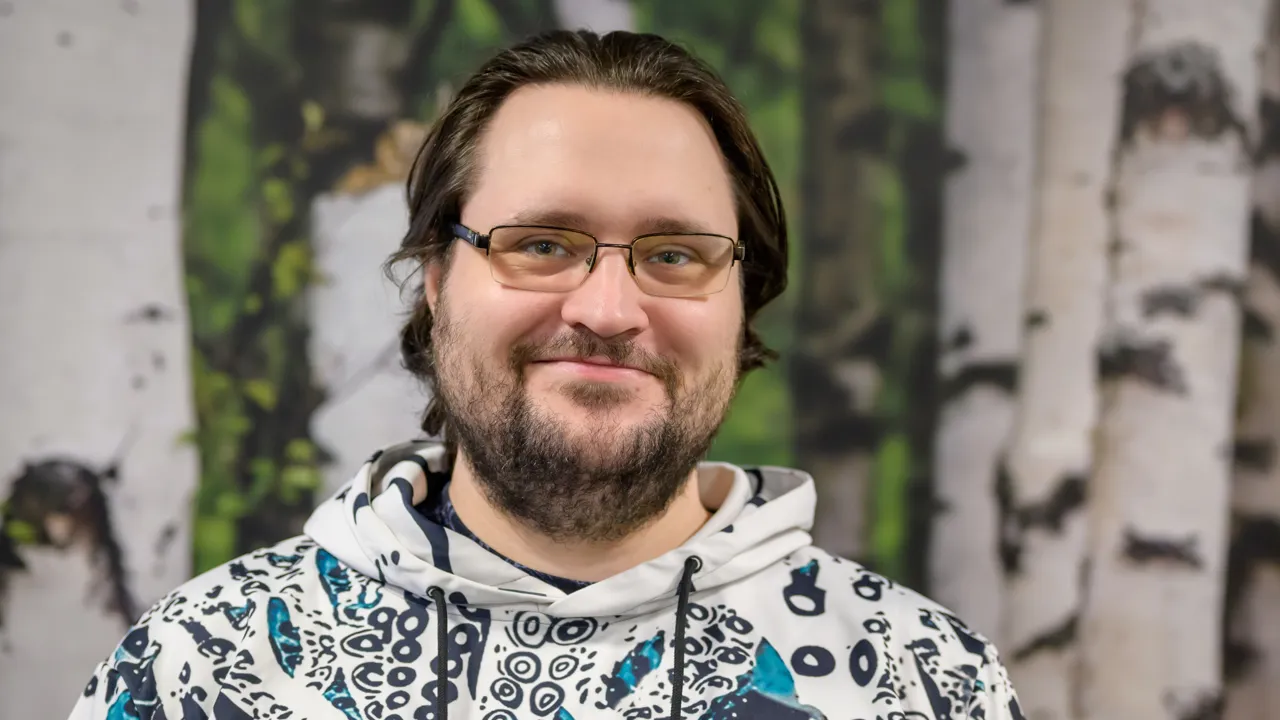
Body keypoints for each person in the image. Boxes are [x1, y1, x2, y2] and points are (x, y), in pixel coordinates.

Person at [70, 29, 1024, 720]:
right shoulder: (205, 667)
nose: (607, 311)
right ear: (438, 279)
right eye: (542, 243)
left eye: (676, 254)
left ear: (745, 304)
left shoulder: (920, 681)